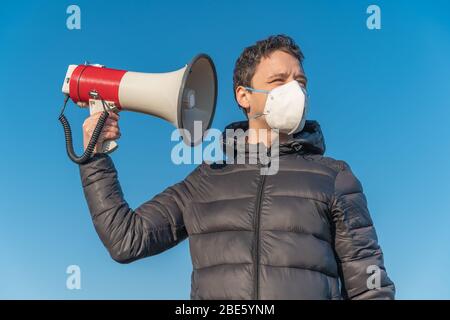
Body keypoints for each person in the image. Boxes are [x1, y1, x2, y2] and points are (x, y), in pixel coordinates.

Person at [79, 34, 395, 300]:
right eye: (278, 81)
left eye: (300, 81)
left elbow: (370, 289)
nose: (294, 91)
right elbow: (126, 240)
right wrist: (94, 157)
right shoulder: (205, 180)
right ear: (244, 96)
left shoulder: (334, 177)